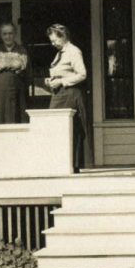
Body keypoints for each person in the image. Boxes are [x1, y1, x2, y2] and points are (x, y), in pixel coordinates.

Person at [45, 24, 93, 172]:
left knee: (70, 129)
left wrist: (62, 81)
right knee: (56, 128)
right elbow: (62, 72)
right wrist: (51, 80)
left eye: (55, 40)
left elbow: (82, 74)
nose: (53, 44)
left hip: (71, 94)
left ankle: (73, 164)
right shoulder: (61, 52)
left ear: (63, 36)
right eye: (51, 41)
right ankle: (60, 163)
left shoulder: (73, 51)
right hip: (60, 94)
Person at [0, 22, 29, 124]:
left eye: (10, 33)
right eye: (5, 34)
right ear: (1, 35)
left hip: (17, 90)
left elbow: (26, 73)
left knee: (16, 118)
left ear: (15, 34)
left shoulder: (21, 50)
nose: (8, 36)